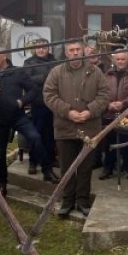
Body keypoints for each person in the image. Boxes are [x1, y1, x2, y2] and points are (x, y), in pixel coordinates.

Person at [44, 38, 111, 218]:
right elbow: (48, 95)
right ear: (66, 53)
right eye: (71, 50)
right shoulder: (56, 72)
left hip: (89, 128)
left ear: (83, 52)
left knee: (85, 167)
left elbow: (105, 95)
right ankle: (67, 201)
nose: (74, 53)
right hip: (65, 127)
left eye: (77, 50)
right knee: (66, 167)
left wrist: (90, 111)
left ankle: (82, 200)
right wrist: (68, 112)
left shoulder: (95, 72)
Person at [0, 44, 50, 194]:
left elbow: (34, 90)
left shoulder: (17, 71)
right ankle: (1, 182)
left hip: (17, 116)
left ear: (4, 55)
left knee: (35, 137)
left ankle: (47, 170)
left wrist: (22, 101)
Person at [99, 49, 128, 180]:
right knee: (108, 144)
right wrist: (108, 104)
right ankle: (108, 168)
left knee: (127, 144)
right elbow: (101, 92)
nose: (120, 61)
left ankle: (127, 169)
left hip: (127, 115)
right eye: (118, 59)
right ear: (114, 60)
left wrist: (123, 103)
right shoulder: (106, 74)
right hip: (109, 114)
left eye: (123, 59)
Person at [24, 38, 61, 180]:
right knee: (36, 134)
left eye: (44, 47)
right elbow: (27, 80)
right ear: (35, 49)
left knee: (51, 134)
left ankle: (51, 159)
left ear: (48, 48)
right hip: (38, 103)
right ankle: (33, 162)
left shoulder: (55, 61)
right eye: (38, 47)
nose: (41, 50)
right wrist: (45, 77)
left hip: (53, 103)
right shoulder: (29, 63)